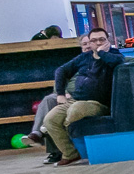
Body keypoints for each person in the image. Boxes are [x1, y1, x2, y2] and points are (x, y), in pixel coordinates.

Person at [42, 27, 124, 166]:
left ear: (108, 41)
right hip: (75, 99)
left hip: (99, 103)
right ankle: (70, 154)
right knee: (50, 120)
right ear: (90, 42)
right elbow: (61, 70)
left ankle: (66, 128)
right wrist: (60, 94)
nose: (98, 43)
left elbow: (118, 62)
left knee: (75, 110)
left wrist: (102, 53)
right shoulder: (84, 57)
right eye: (94, 40)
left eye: (101, 39)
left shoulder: (114, 55)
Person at [28, 33, 91, 162]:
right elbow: (60, 75)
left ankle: (55, 149)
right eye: (84, 44)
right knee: (49, 100)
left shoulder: (101, 59)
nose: (87, 46)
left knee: (54, 115)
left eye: (90, 43)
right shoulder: (77, 62)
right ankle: (38, 134)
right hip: (67, 96)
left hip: (83, 97)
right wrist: (61, 94)